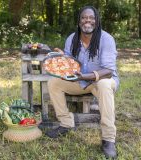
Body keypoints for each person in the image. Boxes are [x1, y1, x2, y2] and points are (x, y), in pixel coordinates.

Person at [45, 6, 119, 159]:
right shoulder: (72, 38)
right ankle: (66, 123)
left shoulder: (106, 39)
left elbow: (109, 71)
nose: (88, 21)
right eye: (84, 18)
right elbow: (70, 62)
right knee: (53, 82)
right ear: (79, 21)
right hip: (80, 81)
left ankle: (108, 139)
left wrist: (85, 76)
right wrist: (62, 57)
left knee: (104, 85)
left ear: (97, 21)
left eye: (91, 18)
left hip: (101, 81)